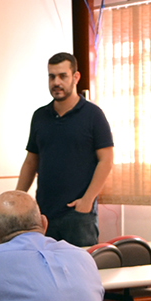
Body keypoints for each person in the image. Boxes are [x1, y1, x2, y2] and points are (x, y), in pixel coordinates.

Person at [17, 52, 114, 247]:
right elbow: (31, 161)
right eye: (52, 77)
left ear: (75, 77)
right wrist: (17, 198)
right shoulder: (39, 116)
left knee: (80, 265)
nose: (56, 82)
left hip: (78, 215)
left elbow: (106, 160)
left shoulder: (93, 115)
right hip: (43, 214)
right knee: (45, 263)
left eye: (63, 76)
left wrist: (87, 200)